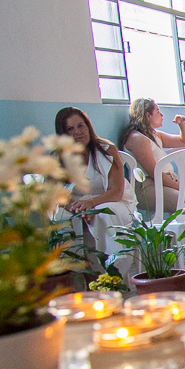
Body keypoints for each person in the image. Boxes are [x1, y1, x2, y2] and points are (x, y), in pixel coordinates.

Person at [54, 106, 136, 260]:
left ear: (88, 126)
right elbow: (56, 193)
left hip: (112, 200)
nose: (78, 132)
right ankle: (77, 274)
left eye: (80, 125)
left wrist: (91, 203)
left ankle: (114, 267)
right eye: (70, 129)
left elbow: (116, 191)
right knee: (60, 216)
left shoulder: (107, 150)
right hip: (77, 205)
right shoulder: (58, 157)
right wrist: (77, 208)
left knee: (103, 212)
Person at [117, 98, 185, 215]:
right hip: (148, 186)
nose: (162, 115)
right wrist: (180, 188)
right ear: (148, 116)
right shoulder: (137, 138)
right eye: (158, 111)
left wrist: (181, 123)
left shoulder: (155, 135)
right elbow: (154, 172)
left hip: (168, 181)